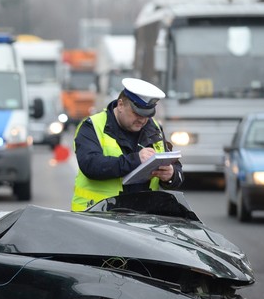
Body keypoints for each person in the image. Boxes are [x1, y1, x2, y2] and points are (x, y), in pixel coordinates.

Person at [71, 77, 183, 211]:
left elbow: (177, 171)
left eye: (147, 115)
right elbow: (91, 165)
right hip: (98, 215)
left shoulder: (154, 128)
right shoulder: (92, 126)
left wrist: (170, 175)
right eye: (137, 113)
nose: (142, 120)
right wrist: (136, 160)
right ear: (120, 105)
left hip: (142, 216)